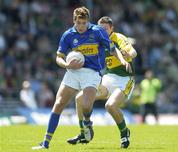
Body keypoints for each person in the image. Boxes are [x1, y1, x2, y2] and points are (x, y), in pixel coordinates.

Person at [32, 7, 130, 150]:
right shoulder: (68, 35)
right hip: (73, 72)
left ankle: (87, 124)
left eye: (84, 23)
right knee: (59, 103)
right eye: (78, 23)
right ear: (74, 21)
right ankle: (45, 143)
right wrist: (66, 64)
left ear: (88, 21)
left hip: (92, 73)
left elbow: (112, 48)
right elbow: (59, 57)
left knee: (86, 106)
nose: (81, 26)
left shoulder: (98, 31)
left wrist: (122, 60)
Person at [67, 16, 137, 148]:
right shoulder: (98, 40)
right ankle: (84, 132)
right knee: (79, 98)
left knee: (110, 106)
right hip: (108, 77)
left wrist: (129, 55)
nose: (103, 31)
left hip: (125, 79)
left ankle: (124, 132)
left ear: (112, 28)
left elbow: (133, 51)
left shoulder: (118, 38)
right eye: (101, 28)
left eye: (106, 28)